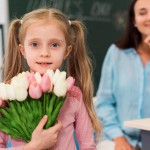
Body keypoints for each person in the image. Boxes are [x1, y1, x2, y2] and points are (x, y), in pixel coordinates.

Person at [0, 8, 101, 149]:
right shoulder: (8, 96)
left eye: (54, 45)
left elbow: (88, 145)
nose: (45, 53)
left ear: (67, 51)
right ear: (22, 50)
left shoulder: (73, 95)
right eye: (35, 44)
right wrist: (32, 147)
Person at [96, 0, 150, 150]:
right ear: (134, 20)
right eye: (142, 13)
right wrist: (119, 138)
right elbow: (104, 103)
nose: (148, 17)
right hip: (118, 138)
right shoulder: (116, 53)